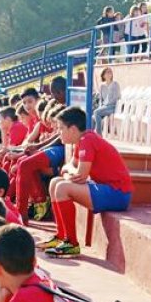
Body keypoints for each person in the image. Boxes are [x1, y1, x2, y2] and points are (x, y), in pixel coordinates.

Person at [42, 107, 133, 257]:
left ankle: (71, 243)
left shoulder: (87, 140)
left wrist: (70, 171)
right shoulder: (82, 140)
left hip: (118, 193)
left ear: (72, 129)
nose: (59, 133)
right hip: (106, 189)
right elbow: (70, 167)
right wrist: (70, 171)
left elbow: (80, 175)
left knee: (62, 188)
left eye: (61, 128)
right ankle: (61, 236)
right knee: (55, 183)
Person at [92, 67, 121, 136]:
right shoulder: (102, 86)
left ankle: (99, 135)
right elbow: (101, 99)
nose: (109, 74)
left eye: (110, 72)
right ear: (103, 75)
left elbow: (117, 97)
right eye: (107, 72)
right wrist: (101, 107)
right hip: (104, 107)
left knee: (96, 112)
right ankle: (92, 135)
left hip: (113, 106)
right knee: (93, 117)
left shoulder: (115, 84)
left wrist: (106, 105)